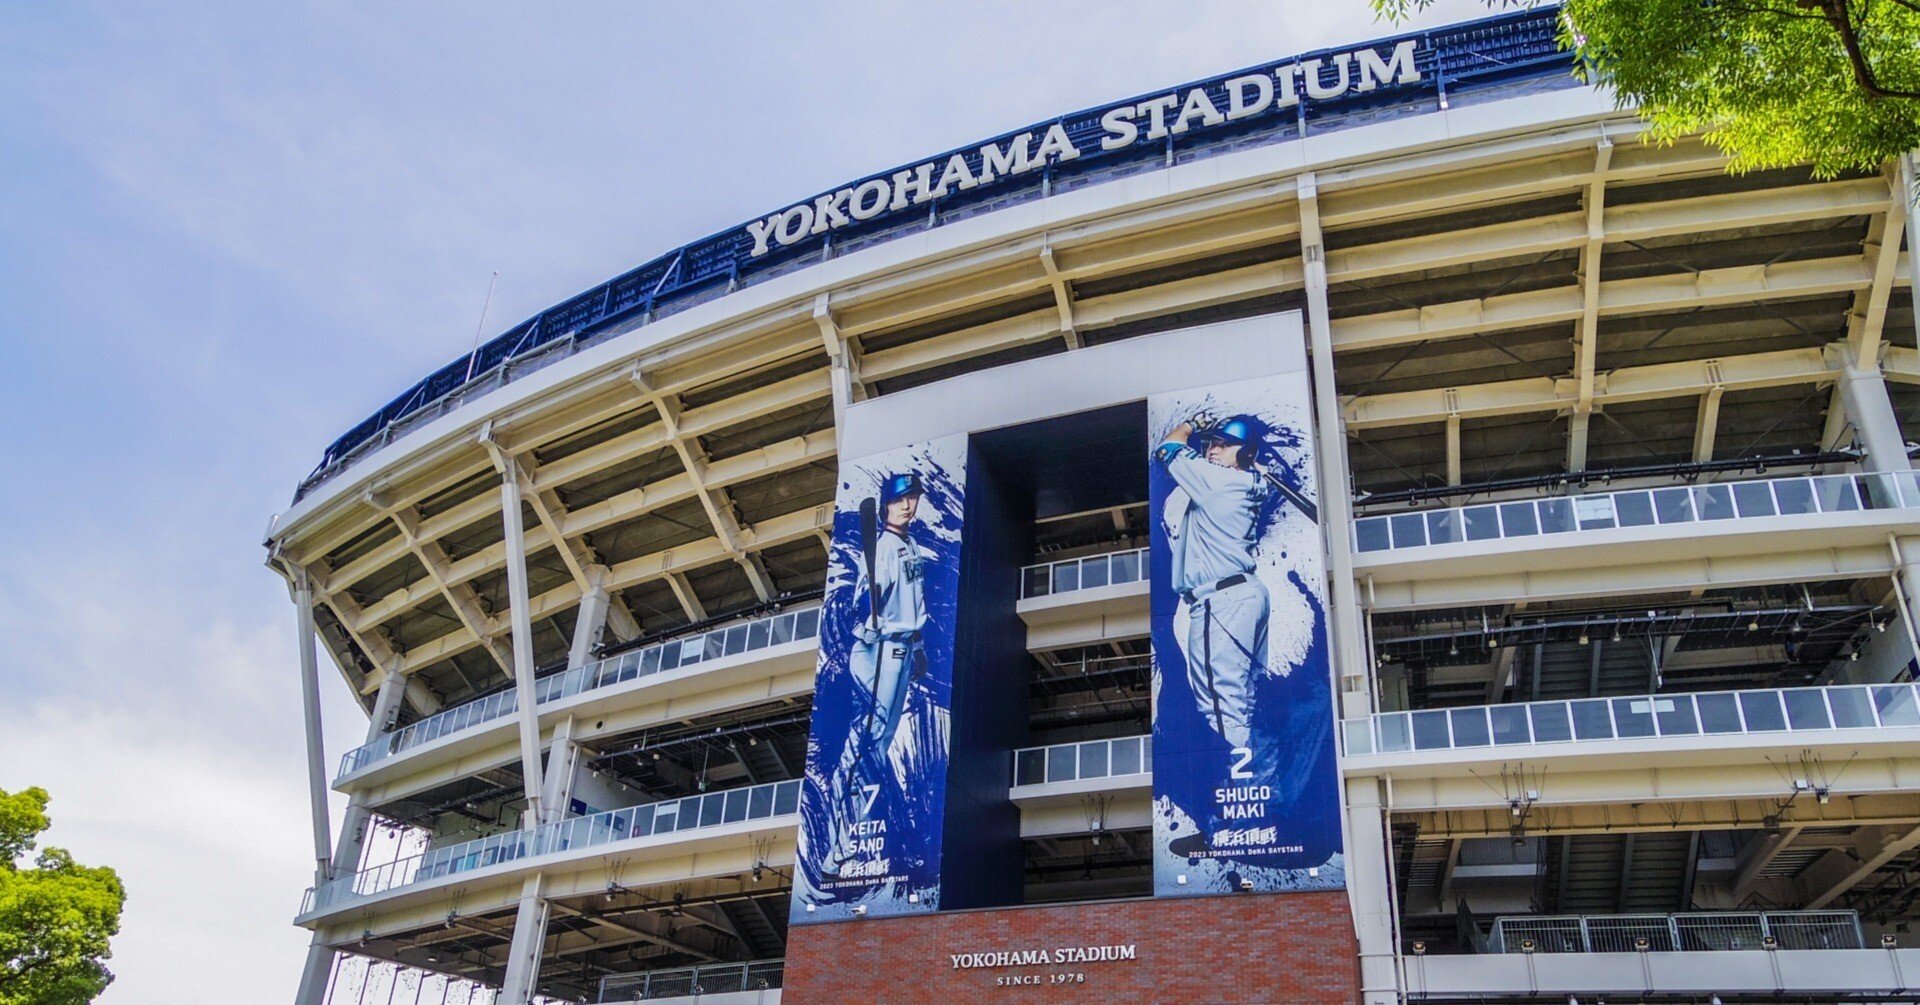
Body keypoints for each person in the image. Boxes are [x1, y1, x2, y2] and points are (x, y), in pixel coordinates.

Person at [1155, 415, 1270, 750]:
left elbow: (1168, 449)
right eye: (1210, 442)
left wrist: (1190, 426)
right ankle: (1258, 771)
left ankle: (1236, 774)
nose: (1213, 449)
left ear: (1246, 454)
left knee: (1222, 702)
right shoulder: (1247, 482)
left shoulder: (1217, 480)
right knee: (1243, 700)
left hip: (1222, 599)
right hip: (1245, 594)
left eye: (1224, 444)